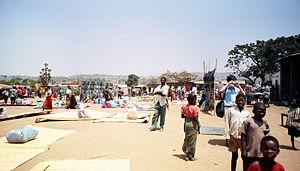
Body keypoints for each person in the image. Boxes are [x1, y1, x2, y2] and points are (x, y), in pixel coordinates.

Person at [225, 94, 251, 171]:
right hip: (233, 136)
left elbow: (248, 126)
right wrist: (227, 137)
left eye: (242, 100)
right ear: (236, 101)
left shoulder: (247, 113)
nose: (240, 102)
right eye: (239, 100)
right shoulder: (230, 111)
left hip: (243, 137)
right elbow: (227, 123)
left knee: (244, 156)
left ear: (245, 102)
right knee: (234, 156)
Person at [241, 102, 270, 171]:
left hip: (261, 153)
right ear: (253, 111)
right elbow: (243, 136)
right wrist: (244, 150)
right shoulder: (248, 121)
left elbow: (266, 134)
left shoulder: (265, 123)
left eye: (264, 112)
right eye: (260, 112)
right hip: (249, 152)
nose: (262, 113)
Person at [181, 94, 200, 161]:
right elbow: (195, 118)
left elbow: (182, 116)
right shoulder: (195, 108)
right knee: (192, 140)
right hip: (193, 125)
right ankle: (190, 155)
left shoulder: (184, 107)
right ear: (192, 101)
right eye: (195, 100)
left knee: (187, 138)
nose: (196, 101)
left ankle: (186, 152)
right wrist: (198, 123)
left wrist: (188, 115)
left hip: (186, 124)